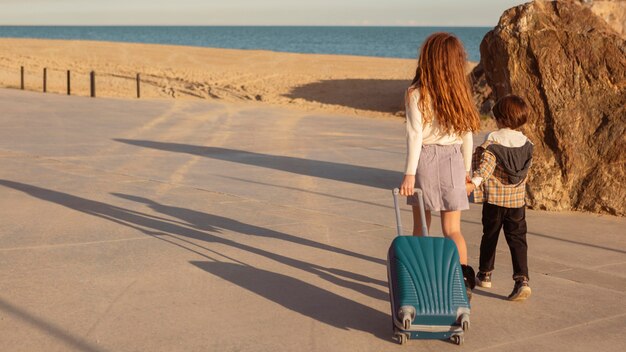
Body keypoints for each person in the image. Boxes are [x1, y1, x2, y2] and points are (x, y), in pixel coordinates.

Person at [399, 32, 480, 298]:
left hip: (425, 160)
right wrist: (467, 171)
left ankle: (420, 279)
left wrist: (409, 174)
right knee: (453, 230)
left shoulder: (416, 94)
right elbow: (468, 135)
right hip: (454, 159)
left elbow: (415, 135)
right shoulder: (461, 94)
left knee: (421, 226)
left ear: (427, 60)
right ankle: (462, 281)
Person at [465, 95, 534, 301]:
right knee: (518, 240)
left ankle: (485, 274)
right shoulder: (527, 143)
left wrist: (473, 183)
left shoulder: (494, 140)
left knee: (490, 235)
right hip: (516, 202)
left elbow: (486, 168)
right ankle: (522, 280)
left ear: (501, 119)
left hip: (495, 201)